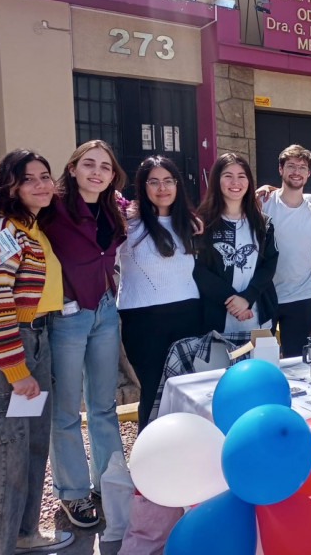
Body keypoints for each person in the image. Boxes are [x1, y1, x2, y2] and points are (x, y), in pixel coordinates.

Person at [0, 139, 127, 528]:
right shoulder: (51, 204)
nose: (97, 172)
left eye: (105, 167)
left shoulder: (114, 206)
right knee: (65, 410)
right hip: (67, 316)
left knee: (104, 405)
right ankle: (73, 494)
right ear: (72, 169)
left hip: (105, 311)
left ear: (113, 175)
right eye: (88, 164)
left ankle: (110, 483)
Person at [0, 149, 74, 553]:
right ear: (7, 186)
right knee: (4, 454)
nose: (41, 185)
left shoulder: (32, 226)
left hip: (36, 339)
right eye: (28, 178)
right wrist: (17, 371)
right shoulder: (1, 234)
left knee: (31, 445)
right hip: (4, 348)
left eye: (45, 176)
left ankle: (23, 534)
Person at [117, 156, 202, 430]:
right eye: (153, 181)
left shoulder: (189, 224)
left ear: (177, 185)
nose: (162, 188)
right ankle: (150, 457)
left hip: (189, 316)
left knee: (188, 390)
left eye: (168, 181)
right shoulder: (127, 225)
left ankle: (186, 452)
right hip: (143, 321)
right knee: (154, 391)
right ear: (142, 187)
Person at [195, 153, 278, 335]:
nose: (235, 182)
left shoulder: (263, 223)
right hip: (216, 321)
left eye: (242, 176)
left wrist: (247, 298)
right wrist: (233, 302)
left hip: (258, 319)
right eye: (228, 176)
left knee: (260, 364)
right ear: (217, 180)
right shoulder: (202, 224)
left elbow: (269, 264)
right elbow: (198, 269)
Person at [260, 145, 311, 356]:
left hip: (302, 297)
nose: (296, 172)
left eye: (302, 167)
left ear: (308, 173)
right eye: (291, 166)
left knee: (297, 362)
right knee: (260, 358)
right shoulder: (262, 203)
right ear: (281, 169)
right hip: (263, 296)